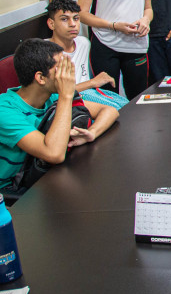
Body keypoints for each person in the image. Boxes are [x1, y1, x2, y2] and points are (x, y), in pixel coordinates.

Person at [0, 39, 118, 191]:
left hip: (46, 177)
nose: (69, 74)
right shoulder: (5, 110)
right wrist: (66, 96)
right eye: (61, 68)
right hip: (15, 192)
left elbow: (109, 110)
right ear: (41, 78)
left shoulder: (50, 96)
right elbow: (54, 154)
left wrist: (92, 133)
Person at [46, 0, 128, 109]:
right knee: (115, 111)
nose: (72, 24)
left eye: (76, 18)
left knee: (126, 105)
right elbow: (53, 95)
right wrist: (93, 82)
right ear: (51, 24)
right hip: (65, 103)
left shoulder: (84, 43)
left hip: (89, 95)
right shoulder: (44, 51)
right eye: (64, 19)